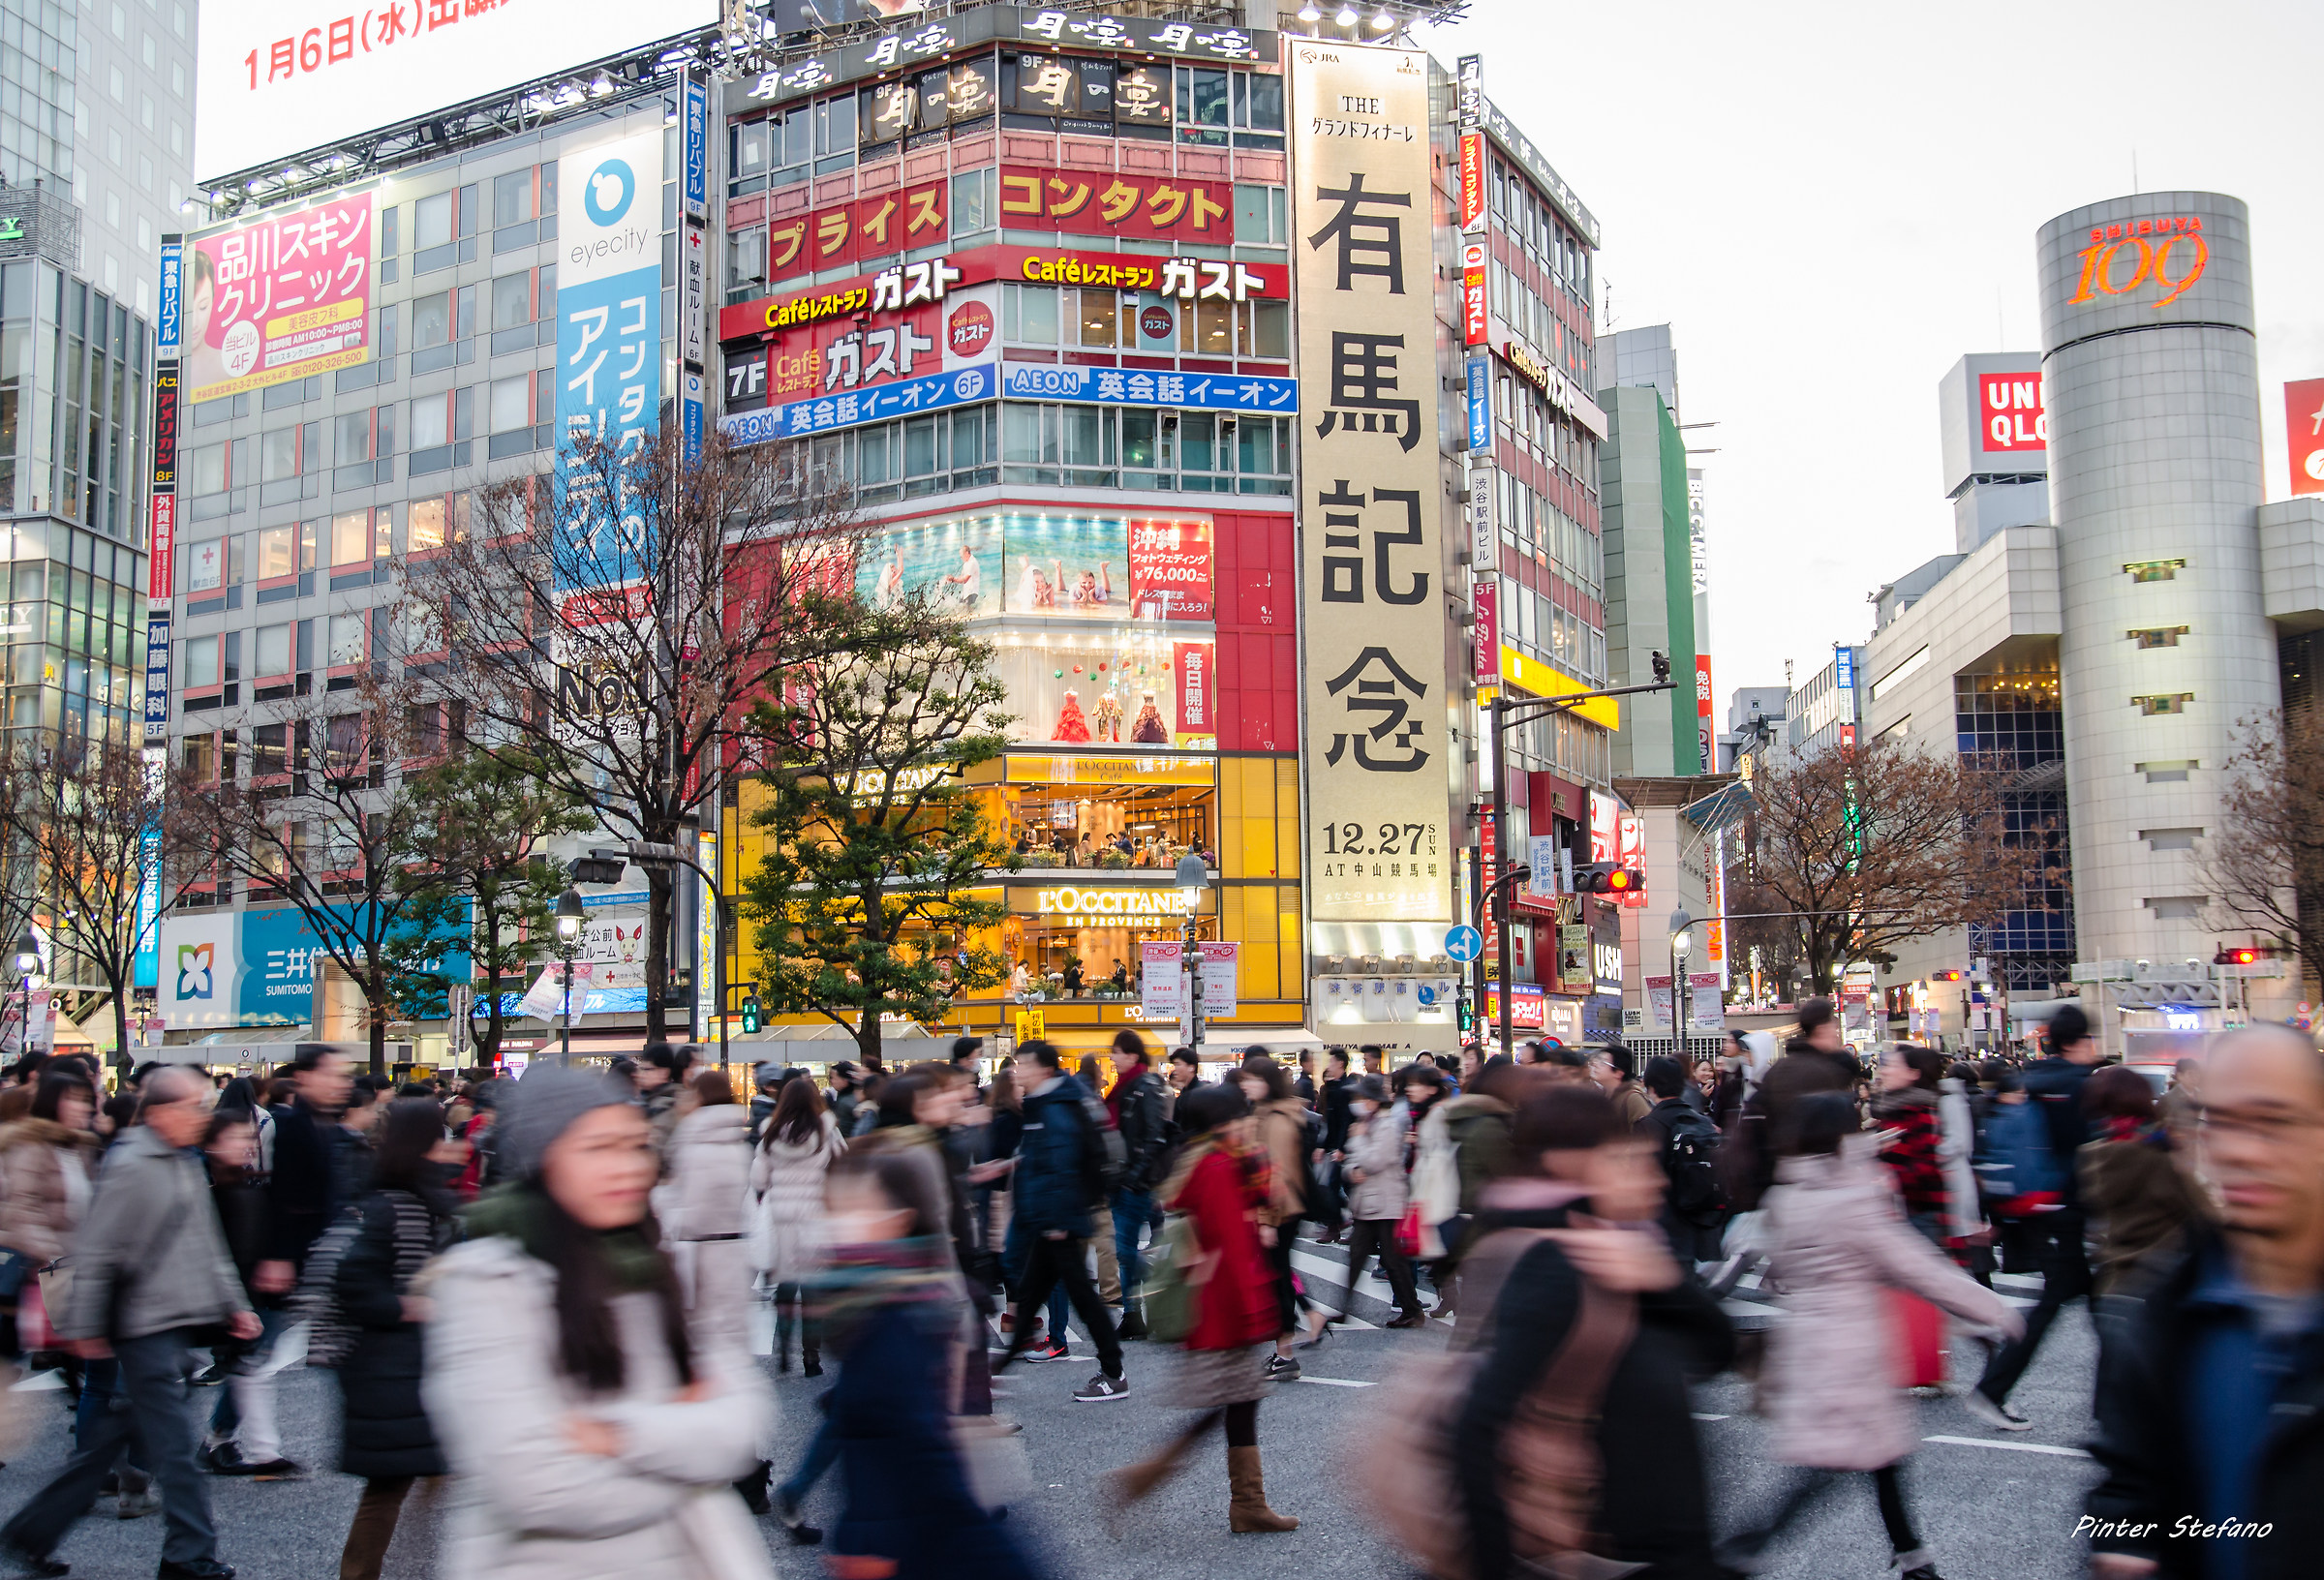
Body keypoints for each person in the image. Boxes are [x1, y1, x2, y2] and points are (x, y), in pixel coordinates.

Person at [422, 1066, 771, 1580]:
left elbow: (742, 1424)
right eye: (598, 1148)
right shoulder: (488, 1280)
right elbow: (534, 1485)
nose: (627, 1166)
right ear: (544, 1158)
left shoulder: (647, 1258)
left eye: (636, 1146)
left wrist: (616, 1437)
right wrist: (689, 1458)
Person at [1716, 1092, 2021, 1580]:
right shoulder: (1852, 1200)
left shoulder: (1788, 1194)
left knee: (1879, 1457)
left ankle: (1914, 1559)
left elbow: (1780, 1271)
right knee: (1840, 1462)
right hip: (1852, 1349)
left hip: (1810, 1343)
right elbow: (1915, 1267)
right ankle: (1748, 1546)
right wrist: (1993, 1310)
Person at [1452, 1082, 1735, 1580]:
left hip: (1646, 1546)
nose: (1653, 1176)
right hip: (1599, 1548)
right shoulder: (1559, 1261)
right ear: (1569, 1163)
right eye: (1623, 1158)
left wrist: (1665, 1281)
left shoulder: (1619, 1246)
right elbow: (1477, 1425)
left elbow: (1714, 1350)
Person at [2082, 1024, 2323, 1580]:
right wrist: (2126, 1543)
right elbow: (2128, 1487)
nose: (2240, 1150)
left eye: (2273, 1122)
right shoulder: (2166, 1313)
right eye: (2221, 1122)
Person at [0, 1068, 261, 1580]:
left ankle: (33, 1530)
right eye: (193, 1106)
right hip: (142, 1322)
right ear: (160, 1113)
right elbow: (99, 1251)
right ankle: (188, 1553)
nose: (202, 1116)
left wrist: (235, 1304)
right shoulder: (133, 1164)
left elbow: (206, 1242)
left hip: (172, 1318)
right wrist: (87, 1326)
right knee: (173, 1446)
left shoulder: (181, 1159)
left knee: (118, 1436)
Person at [818, 1152, 1046, 1579]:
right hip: (909, 1531)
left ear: (899, 1220)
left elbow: (918, 1446)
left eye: (855, 1209)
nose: (837, 1224)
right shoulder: (876, 1303)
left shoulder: (894, 1316)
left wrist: (868, 1536)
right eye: (833, 1209)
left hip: (918, 1537)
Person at [1106, 1081, 1299, 1534]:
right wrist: (1255, 1313)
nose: (1248, 1123)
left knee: (1237, 1402)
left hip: (1219, 1307)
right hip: (1224, 1309)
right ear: (1222, 1125)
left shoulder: (1219, 1163)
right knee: (1232, 1402)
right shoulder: (1216, 1168)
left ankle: (1245, 1503)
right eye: (1241, 1116)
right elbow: (1230, 1247)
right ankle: (1153, 1480)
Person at [333, 1099, 464, 1580]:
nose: (447, 1146)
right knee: (390, 1481)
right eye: (438, 1138)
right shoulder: (395, 1205)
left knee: (408, 1475)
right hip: (389, 1362)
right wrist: (408, 1307)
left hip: (404, 1359)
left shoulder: (411, 1194)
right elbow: (353, 1280)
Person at [1967, 1003, 2101, 1431]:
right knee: (2062, 1306)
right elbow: (2091, 1151)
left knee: (2080, 1304)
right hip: (2069, 1211)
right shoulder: (2080, 1085)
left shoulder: (2030, 1080)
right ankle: (1993, 1390)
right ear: (2080, 1041)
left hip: (2038, 1209)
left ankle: (2119, 1407)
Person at [990, 1041, 1127, 1402]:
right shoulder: (1044, 1103)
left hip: (1059, 1221)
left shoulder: (1055, 1109)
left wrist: (1055, 1221)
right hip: (1050, 1219)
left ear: (1045, 1070)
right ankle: (1000, 1369)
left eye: (1024, 1064)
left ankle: (1114, 1373)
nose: (1017, 1071)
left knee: (1081, 1298)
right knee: (1034, 1293)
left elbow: (1061, 1166)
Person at [0, 1067, 101, 1362]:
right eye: (73, 1099)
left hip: (73, 1267)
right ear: (52, 1103)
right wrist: (50, 1257)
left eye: (85, 1099)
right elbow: (22, 1209)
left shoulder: (80, 1147)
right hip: (43, 1270)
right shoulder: (30, 1147)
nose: (84, 1107)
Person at [2077, 1063, 2202, 1297]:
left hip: (2117, 1276)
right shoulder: (2158, 1151)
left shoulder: (2094, 1154)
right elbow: (2197, 1207)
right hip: (2165, 1276)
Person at [752, 1076, 845, 1378]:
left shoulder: (770, 1135)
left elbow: (758, 1180)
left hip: (780, 1217)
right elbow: (842, 1169)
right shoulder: (827, 1132)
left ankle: (782, 1349)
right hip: (816, 1215)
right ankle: (811, 1357)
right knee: (813, 1291)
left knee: (785, 1284)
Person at [1238, 1056, 1320, 1378]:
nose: (1246, 1085)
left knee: (1278, 1280)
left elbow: (1276, 1174)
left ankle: (1285, 1354)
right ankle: (1294, 1338)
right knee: (1279, 1277)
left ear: (1267, 1083)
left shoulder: (1277, 1119)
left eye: (1253, 1079)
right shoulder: (1265, 1113)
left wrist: (1268, 1220)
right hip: (1277, 1210)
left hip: (1280, 1211)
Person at [1336, 1075, 1424, 1327]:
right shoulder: (1365, 1125)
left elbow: (1374, 1161)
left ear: (1373, 1101)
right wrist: (1353, 1169)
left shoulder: (1386, 1126)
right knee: (1356, 1257)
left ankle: (1411, 1310)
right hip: (1368, 1204)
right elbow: (1352, 1163)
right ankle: (1343, 1309)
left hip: (1386, 1203)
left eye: (1361, 1097)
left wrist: (1358, 1141)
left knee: (1393, 1261)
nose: (1357, 1102)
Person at [1105, 1032, 1171, 1339]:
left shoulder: (1145, 1086)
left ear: (1132, 1055)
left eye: (1117, 1052)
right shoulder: (1124, 1087)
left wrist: (1134, 1176)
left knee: (1125, 1250)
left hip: (1135, 1183)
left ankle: (1156, 1286)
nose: (1112, 1057)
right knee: (1125, 1250)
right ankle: (1132, 1315)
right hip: (1122, 1181)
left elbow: (1155, 1136)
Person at [1638, 1054, 1728, 1263]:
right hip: (1705, 1221)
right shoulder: (1703, 1122)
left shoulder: (1648, 1126)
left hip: (1667, 1227)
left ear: (1651, 1088)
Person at [1873, 1045, 1949, 1245]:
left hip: (1918, 1215)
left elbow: (1928, 1167)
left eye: (1893, 1065)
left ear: (1913, 1073)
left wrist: (1889, 1178)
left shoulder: (1921, 1113)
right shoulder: (1892, 1110)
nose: (1884, 1071)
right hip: (1896, 1214)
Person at [1593, 1045, 1654, 1128]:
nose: (1595, 1064)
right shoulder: (1600, 1097)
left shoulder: (1633, 1099)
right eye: (1597, 1060)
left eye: (1603, 1063)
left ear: (1619, 1073)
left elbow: (1648, 1131)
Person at [827, 1061, 866, 1137]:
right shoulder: (856, 1096)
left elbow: (845, 1131)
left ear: (845, 1080)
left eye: (833, 1078)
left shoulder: (845, 1102)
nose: (831, 1081)